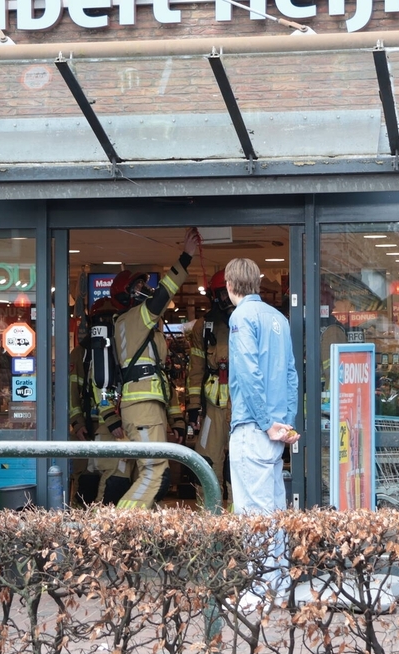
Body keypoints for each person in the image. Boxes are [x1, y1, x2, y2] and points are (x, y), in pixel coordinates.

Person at [225, 257, 300, 610]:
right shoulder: (279, 318)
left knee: (253, 515)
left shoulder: (241, 318)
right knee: (273, 512)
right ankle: (278, 583)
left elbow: (247, 372)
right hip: (273, 435)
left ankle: (258, 593)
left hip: (252, 428)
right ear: (256, 282)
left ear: (229, 285)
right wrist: (285, 424)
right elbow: (290, 374)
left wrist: (266, 421)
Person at [109, 227, 200, 509]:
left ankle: (136, 535)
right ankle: (116, 529)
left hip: (147, 406)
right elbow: (164, 294)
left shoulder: (134, 324)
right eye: (138, 287)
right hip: (143, 408)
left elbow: (159, 376)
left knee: (149, 472)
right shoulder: (136, 317)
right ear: (127, 296)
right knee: (153, 472)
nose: (145, 290)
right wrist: (185, 257)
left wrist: (176, 420)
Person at [69, 297, 133, 504]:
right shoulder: (81, 354)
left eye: (110, 318)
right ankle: (78, 526)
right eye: (101, 318)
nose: (105, 322)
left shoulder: (121, 349)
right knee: (85, 481)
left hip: (116, 427)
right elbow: (72, 393)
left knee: (116, 477)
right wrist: (77, 423)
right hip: (89, 427)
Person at [186, 269, 233, 507]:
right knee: (206, 461)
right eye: (224, 293)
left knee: (237, 464)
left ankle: (241, 523)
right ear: (215, 295)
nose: (229, 298)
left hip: (242, 407)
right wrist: (193, 409)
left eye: (232, 291)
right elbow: (195, 370)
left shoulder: (249, 320)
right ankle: (209, 523)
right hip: (212, 409)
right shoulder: (203, 327)